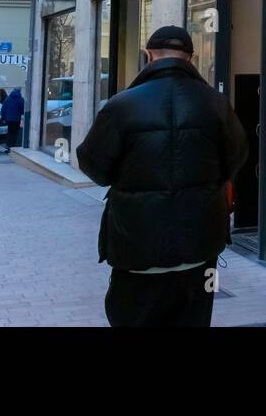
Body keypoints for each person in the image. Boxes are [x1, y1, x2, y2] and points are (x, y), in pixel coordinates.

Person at [77, 25, 247, 327]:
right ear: (191, 59)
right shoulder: (215, 103)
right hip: (199, 247)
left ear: (148, 55)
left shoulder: (121, 106)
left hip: (137, 249)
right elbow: (236, 159)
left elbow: (94, 167)